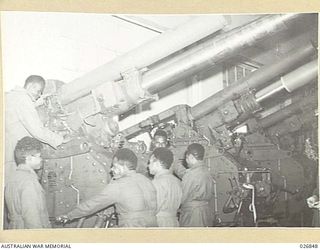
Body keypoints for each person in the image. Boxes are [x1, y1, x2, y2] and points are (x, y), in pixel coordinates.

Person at [57, 148, 157, 227]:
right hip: (153, 231)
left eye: (114, 166)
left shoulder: (119, 185)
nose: (111, 169)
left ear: (122, 166)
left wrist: (69, 215)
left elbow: (93, 204)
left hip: (132, 230)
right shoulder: (147, 181)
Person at [5, 75, 65, 183]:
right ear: (31, 86)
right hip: (14, 153)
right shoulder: (23, 99)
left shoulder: (11, 96)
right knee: (17, 185)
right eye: (38, 91)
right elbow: (37, 130)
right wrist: (59, 139)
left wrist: (41, 101)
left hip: (6, 150)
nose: (38, 95)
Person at [4, 136, 51, 229]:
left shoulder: (12, 178)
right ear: (28, 158)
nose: (42, 159)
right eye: (39, 156)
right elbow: (32, 219)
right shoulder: (29, 182)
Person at [179, 143, 214, 227]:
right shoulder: (206, 171)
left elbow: (182, 197)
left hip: (193, 216)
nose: (186, 161)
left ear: (191, 157)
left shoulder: (191, 174)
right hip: (206, 212)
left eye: (186, 158)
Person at [148, 147, 182, 227]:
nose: (148, 166)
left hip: (160, 223)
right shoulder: (177, 181)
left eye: (150, 162)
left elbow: (153, 209)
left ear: (157, 162)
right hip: (174, 222)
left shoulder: (156, 183)